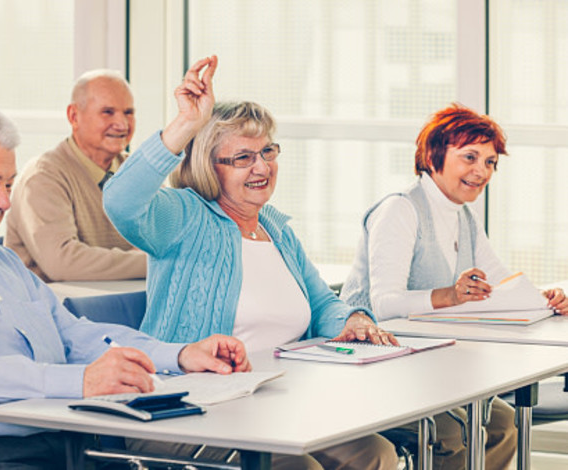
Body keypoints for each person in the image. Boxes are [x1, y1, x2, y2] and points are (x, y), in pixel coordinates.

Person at [0, 100, 251, 470]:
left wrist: (179, 355)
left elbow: (72, 335)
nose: (5, 201)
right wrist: (83, 381)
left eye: (8, 184)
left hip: (61, 446)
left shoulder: (1, 261)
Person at [104, 56, 399, 470]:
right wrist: (185, 124)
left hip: (276, 403)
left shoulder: (276, 229)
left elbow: (321, 304)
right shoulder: (184, 217)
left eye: (267, 152)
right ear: (209, 165)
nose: (262, 167)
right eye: (243, 158)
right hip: (190, 411)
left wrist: (352, 321)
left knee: (376, 455)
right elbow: (120, 201)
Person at [340, 103, 568, 469]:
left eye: (490, 162)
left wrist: (543, 298)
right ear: (434, 156)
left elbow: (499, 280)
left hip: (437, 365)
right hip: (384, 367)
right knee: (451, 434)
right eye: (470, 157)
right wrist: (450, 295)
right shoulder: (400, 210)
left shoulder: (463, 215)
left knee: (503, 425)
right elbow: (383, 304)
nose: (481, 171)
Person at [4, 69, 146, 282]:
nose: (122, 124)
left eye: (128, 112)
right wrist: (154, 262)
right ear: (74, 116)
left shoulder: (136, 171)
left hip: (122, 306)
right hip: (56, 310)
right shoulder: (43, 177)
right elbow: (63, 264)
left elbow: (170, 239)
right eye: (108, 112)